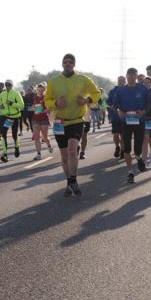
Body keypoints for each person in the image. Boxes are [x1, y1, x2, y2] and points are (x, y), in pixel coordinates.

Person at [44, 53, 100, 196]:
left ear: (74, 64)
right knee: (64, 156)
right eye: (65, 62)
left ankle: (73, 180)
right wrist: (56, 103)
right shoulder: (53, 81)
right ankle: (69, 181)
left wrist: (87, 100)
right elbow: (47, 100)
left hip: (76, 120)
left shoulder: (83, 79)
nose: (67, 64)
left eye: (70, 62)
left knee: (72, 150)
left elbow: (96, 93)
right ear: (62, 64)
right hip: (59, 122)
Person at [110, 68, 151, 184]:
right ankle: (130, 172)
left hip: (139, 121)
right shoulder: (121, 90)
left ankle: (138, 158)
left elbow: (150, 103)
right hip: (126, 122)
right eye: (129, 74)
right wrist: (118, 111)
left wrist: (143, 112)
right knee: (127, 148)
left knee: (137, 149)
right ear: (126, 76)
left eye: (134, 75)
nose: (131, 76)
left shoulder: (143, 88)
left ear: (136, 76)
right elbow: (113, 106)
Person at [0, 79, 24, 162]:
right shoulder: (2, 94)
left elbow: (22, 106)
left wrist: (12, 103)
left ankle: (17, 147)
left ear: (12, 85)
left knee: (14, 134)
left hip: (15, 116)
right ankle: (5, 154)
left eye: (9, 85)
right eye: (6, 85)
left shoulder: (16, 93)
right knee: (3, 134)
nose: (7, 86)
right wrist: (0, 106)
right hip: (5, 116)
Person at [30, 82, 53, 158]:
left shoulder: (46, 98)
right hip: (35, 119)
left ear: (44, 90)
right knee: (36, 138)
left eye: (42, 90)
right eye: (39, 90)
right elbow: (32, 107)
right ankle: (39, 154)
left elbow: (50, 109)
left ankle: (49, 145)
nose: (40, 92)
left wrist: (43, 110)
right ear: (37, 90)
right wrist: (33, 109)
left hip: (44, 119)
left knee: (45, 137)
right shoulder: (34, 97)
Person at [107, 75, 126, 158]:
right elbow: (109, 102)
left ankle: (122, 150)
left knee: (123, 135)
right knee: (116, 135)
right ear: (117, 81)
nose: (121, 82)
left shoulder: (128, 90)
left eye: (122, 80)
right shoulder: (112, 91)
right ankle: (117, 147)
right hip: (115, 116)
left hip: (125, 117)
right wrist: (112, 107)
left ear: (125, 81)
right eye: (119, 80)